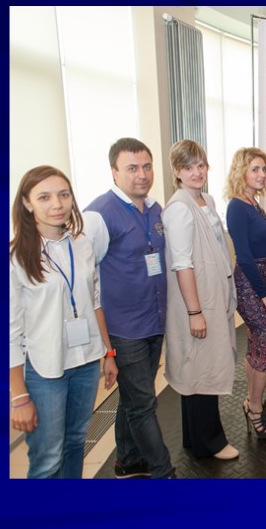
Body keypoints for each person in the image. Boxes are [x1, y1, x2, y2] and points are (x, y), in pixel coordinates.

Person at [10, 165, 117, 478]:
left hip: (85, 362)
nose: (57, 204)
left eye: (63, 195)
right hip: (45, 369)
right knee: (48, 459)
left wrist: (108, 352)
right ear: (27, 203)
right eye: (44, 197)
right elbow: (8, 333)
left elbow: (93, 302)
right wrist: (18, 396)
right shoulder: (16, 258)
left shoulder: (81, 244)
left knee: (75, 443)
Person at [84, 137, 175, 478]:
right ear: (114, 172)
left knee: (133, 397)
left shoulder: (155, 208)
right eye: (132, 168)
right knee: (143, 404)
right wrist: (104, 346)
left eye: (147, 166)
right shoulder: (98, 214)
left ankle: (127, 460)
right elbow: (86, 278)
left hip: (154, 321)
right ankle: (164, 472)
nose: (142, 174)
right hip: (124, 329)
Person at [163, 140, 242, 455]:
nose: (196, 172)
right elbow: (182, 264)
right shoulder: (179, 209)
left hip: (213, 296)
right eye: (188, 167)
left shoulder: (205, 200)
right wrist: (195, 313)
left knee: (202, 367)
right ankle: (211, 442)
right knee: (201, 370)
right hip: (198, 302)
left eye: (201, 165)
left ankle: (195, 440)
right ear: (176, 172)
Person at [226, 147, 266, 438]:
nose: (261, 174)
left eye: (263, 169)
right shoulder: (237, 206)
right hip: (250, 282)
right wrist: (263, 293)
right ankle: (256, 408)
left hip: (263, 276)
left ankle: (251, 400)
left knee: (257, 344)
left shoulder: (254, 203)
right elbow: (244, 257)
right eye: (254, 169)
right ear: (241, 172)